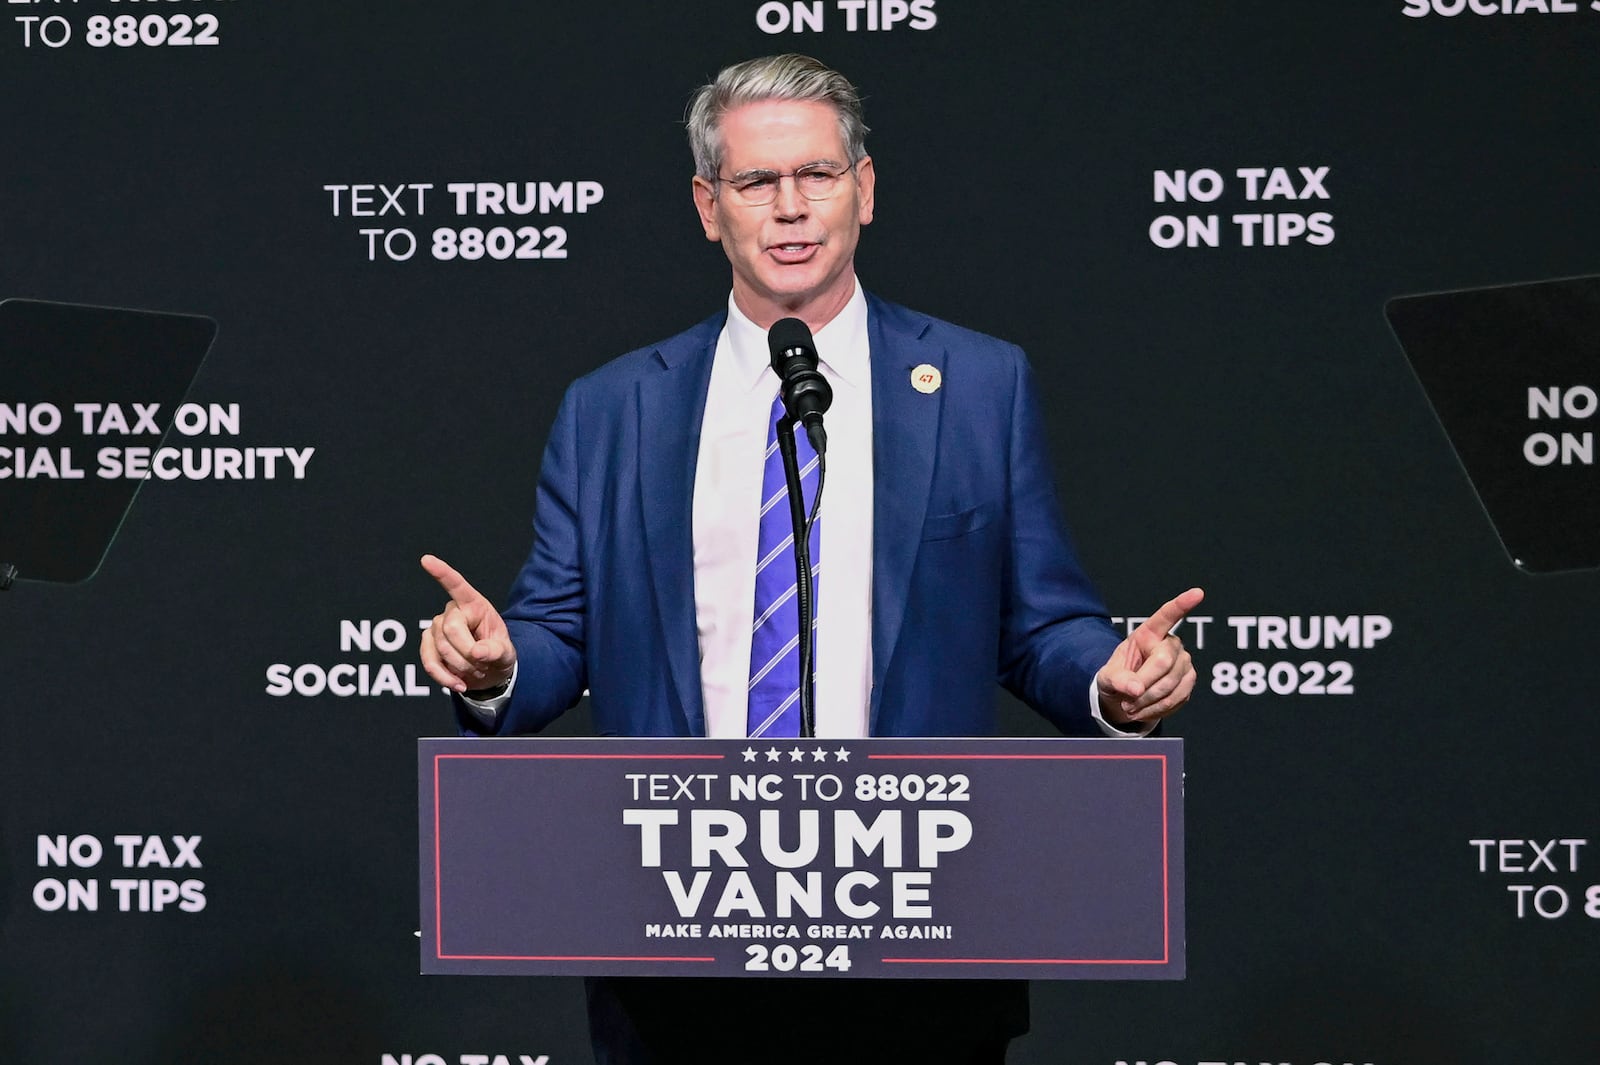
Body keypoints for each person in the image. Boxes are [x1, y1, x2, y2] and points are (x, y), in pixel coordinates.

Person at [419, 54, 1201, 1065]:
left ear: (864, 190)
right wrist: (497, 668)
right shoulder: (614, 407)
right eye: (754, 182)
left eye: (818, 176)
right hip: (678, 932)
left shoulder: (977, 384)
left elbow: (1036, 623)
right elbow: (560, 632)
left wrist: (1109, 681)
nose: (790, 208)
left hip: (919, 926)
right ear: (709, 207)